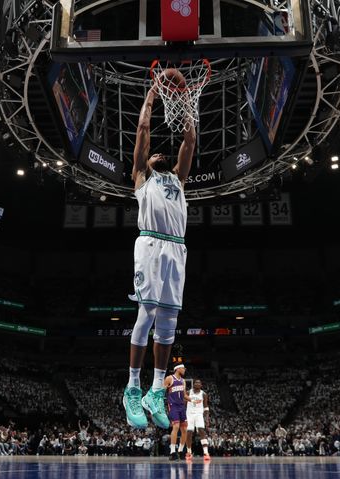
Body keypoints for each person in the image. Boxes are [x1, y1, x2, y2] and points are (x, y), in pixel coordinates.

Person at [122, 68, 196, 430]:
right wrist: (154, 94)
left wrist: (181, 100)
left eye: (159, 155)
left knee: (169, 322)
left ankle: (155, 390)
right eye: (153, 156)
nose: (158, 154)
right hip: (150, 243)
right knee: (147, 312)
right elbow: (143, 132)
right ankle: (132, 388)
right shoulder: (142, 177)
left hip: (177, 248)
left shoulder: (178, 179)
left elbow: (189, 140)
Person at [165, 364, 189, 460]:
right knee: (176, 427)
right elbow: (162, 391)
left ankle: (180, 450)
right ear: (178, 369)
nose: (184, 370)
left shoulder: (183, 381)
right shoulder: (169, 378)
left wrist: (193, 400)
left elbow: (184, 395)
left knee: (184, 429)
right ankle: (172, 452)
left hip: (182, 406)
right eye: (183, 368)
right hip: (173, 406)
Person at [185, 379, 211, 462]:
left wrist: (206, 418)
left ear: (201, 385)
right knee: (189, 432)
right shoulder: (189, 392)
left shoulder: (204, 394)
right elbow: (184, 404)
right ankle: (189, 452)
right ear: (193, 384)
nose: (197, 383)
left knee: (201, 431)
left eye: (199, 383)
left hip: (199, 414)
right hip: (189, 414)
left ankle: (206, 453)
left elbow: (206, 407)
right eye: (196, 382)